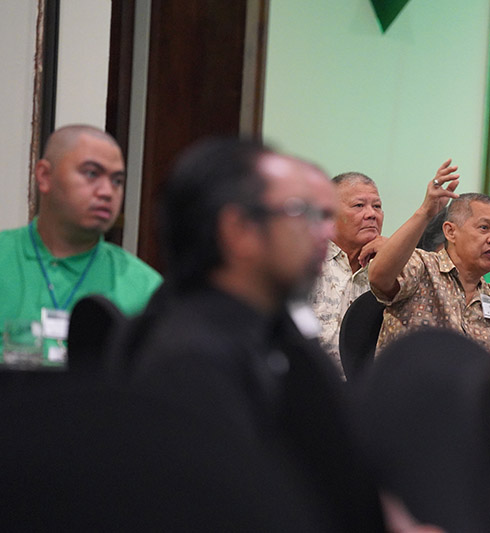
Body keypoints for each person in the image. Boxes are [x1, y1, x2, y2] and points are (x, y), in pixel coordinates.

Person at [122, 138, 385, 532]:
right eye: (302, 213)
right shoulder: (188, 357)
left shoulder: (276, 332)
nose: (322, 231)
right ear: (239, 230)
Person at [368, 159, 490, 357]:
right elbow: (379, 277)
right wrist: (425, 212)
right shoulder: (422, 267)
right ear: (450, 232)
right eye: (484, 228)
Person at [0, 124, 161, 362]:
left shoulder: (146, 289)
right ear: (45, 176)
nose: (107, 191)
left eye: (117, 181)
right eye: (92, 174)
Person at [308, 172, 386, 376]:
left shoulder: (390, 269)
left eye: (377, 206)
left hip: (366, 395)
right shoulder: (306, 263)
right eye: (359, 205)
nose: (371, 214)